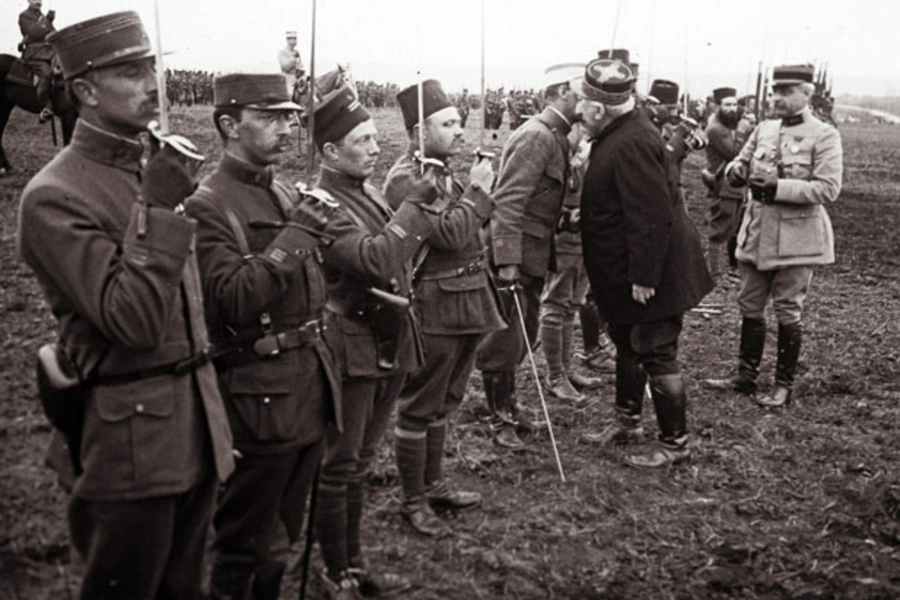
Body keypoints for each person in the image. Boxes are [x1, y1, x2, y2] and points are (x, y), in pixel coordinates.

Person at [17, 11, 235, 598]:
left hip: (194, 426)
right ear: (84, 92)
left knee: (182, 588)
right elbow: (132, 320)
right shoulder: (54, 196)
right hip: (131, 445)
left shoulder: (152, 167)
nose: (151, 84)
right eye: (129, 72)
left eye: (151, 67)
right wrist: (160, 208)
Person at [183, 73, 340, 600]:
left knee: (285, 533)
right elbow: (228, 301)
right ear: (230, 125)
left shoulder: (282, 188)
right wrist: (296, 236)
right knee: (245, 540)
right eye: (269, 117)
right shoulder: (207, 203)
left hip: (309, 388)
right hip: (259, 399)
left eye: (289, 116)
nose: (287, 128)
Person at [310, 87, 441, 599]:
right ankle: (335, 569)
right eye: (360, 140)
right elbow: (374, 259)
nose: (373, 148)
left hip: (384, 340)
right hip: (351, 346)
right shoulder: (323, 202)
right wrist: (414, 205)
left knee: (361, 462)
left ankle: (355, 563)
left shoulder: (362, 189)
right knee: (340, 464)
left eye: (372, 137)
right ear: (329, 153)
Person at [574, 58, 712, 467]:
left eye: (584, 104)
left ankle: (675, 444)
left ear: (598, 109)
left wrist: (645, 276)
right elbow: (624, 200)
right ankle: (628, 421)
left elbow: (651, 214)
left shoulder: (631, 140)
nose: (580, 110)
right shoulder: (620, 131)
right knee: (627, 343)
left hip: (651, 273)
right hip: (629, 270)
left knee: (655, 349)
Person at [383, 79, 504, 536]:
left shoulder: (442, 170)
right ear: (419, 131)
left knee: (444, 402)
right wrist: (478, 194)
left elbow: (472, 233)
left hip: (469, 300)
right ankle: (413, 501)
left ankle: (432, 485)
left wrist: (474, 199)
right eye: (448, 123)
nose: (460, 131)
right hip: (436, 305)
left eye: (459, 121)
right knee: (420, 405)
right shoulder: (406, 179)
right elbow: (453, 234)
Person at [704, 64, 843, 408]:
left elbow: (828, 188)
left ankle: (783, 385)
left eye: (785, 92)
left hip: (797, 239)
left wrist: (780, 187)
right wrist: (736, 172)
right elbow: (741, 161)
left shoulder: (825, 135)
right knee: (749, 304)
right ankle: (745, 376)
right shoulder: (764, 129)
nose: (776, 98)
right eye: (774, 92)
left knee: (787, 310)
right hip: (757, 233)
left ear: (807, 94)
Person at [476, 63, 582, 449]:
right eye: (579, 92)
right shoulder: (538, 137)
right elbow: (507, 202)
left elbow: (540, 201)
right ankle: (498, 417)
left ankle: (509, 404)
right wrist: (507, 261)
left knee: (521, 334)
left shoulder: (555, 136)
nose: (586, 100)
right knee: (504, 338)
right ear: (559, 94)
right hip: (516, 255)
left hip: (533, 251)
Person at [538, 122, 604, 403]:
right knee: (556, 305)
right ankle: (555, 376)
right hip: (564, 241)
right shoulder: (560, 153)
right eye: (582, 128)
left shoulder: (585, 153)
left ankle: (564, 370)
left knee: (572, 306)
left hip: (586, 241)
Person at [703, 86, 749, 283]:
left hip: (733, 186)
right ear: (717, 106)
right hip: (724, 186)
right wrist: (742, 132)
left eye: (734, 104)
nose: (732, 108)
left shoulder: (724, 126)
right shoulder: (716, 129)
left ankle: (724, 270)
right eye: (727, 105)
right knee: (720, 231)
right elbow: (733, 153)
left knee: (732, 229)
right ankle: (714, 275)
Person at [18, 0, 56, 122]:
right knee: (46, 74)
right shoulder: (24, 16)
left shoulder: (42, 16)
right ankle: (44, 108)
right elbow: (34, 33)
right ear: (28, 1)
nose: (38, 1)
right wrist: (48, 20)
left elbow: (52, 33)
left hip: (48, 53)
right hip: (34, 54)